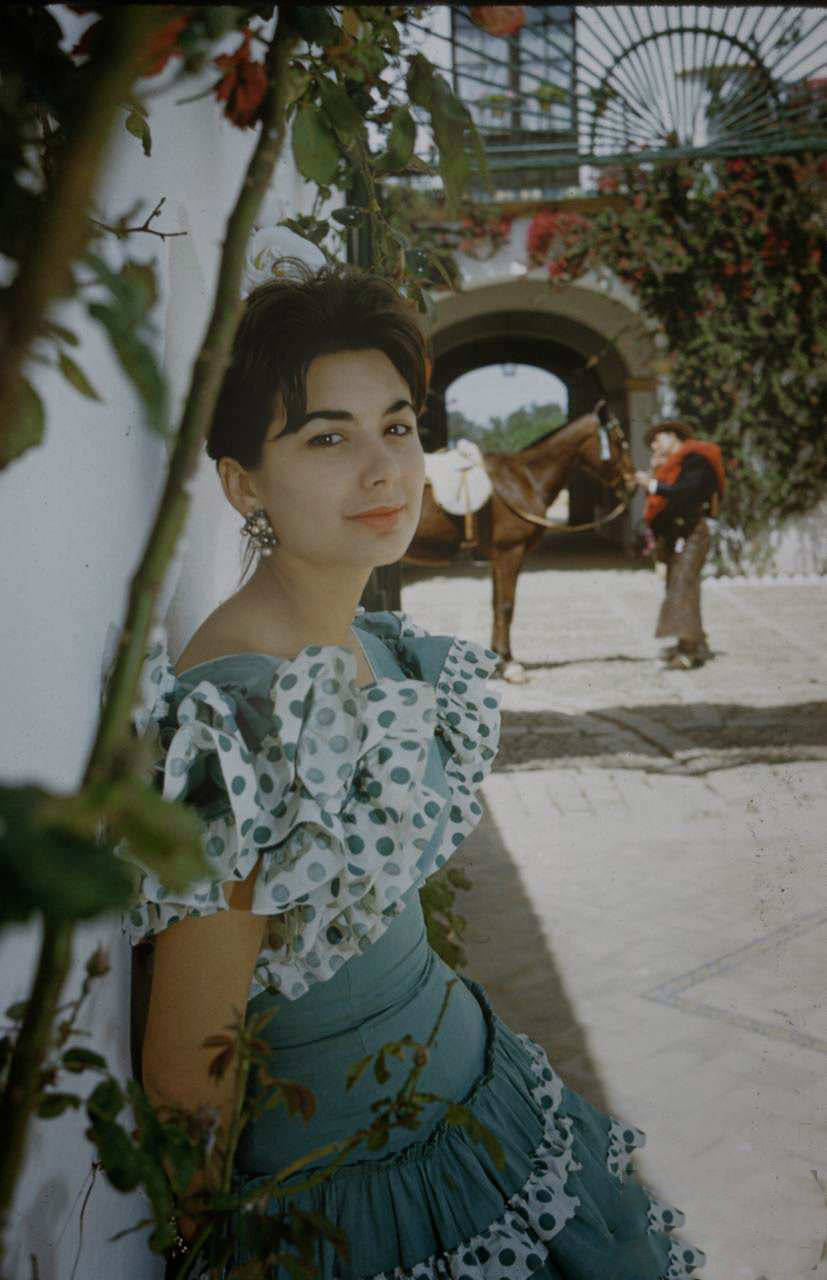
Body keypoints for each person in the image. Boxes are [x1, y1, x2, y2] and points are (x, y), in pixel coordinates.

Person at [123, 261, 706, 1278]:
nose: (384, 470)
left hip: (484, 1113)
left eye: (395, 426)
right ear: (240, 480)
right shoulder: (240, 714)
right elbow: (185, 1068)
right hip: (368, 1210)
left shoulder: (375, 645)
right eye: (325, 436)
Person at [635, 420, 725, 670]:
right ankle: (695, 643)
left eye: (656, 438)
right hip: (677, 534)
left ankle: (688, 653)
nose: (653, 445)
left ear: (672, 436)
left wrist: (652, 484)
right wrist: (654, 477)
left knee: (683, 585)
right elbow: (662, 502)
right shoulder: (670, 466)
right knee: (679, 586)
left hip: (693, 531)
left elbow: (687, 491)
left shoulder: (697, 458)